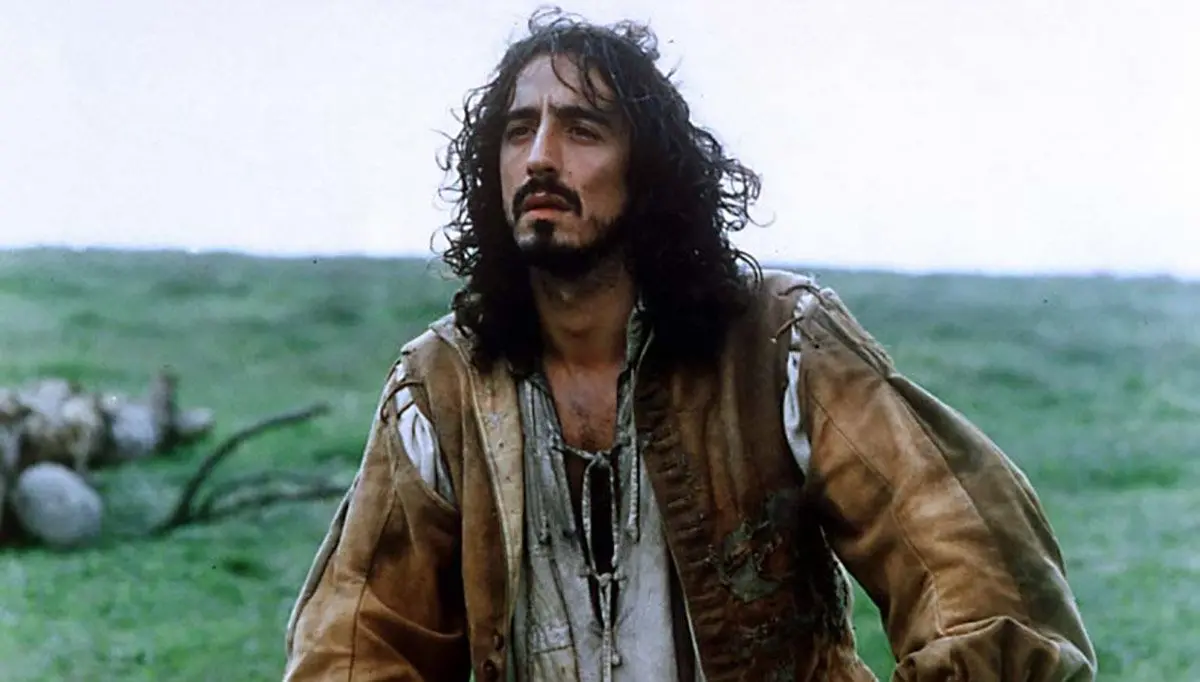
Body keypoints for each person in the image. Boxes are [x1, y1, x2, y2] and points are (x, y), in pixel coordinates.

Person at [283, 9, 1096, 682]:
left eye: (582, 130)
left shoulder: (778, 343)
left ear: (650, 171)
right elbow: (354, 646)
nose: (539, 158)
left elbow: (965, 561)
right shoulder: (443, 385)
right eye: (518, 130)